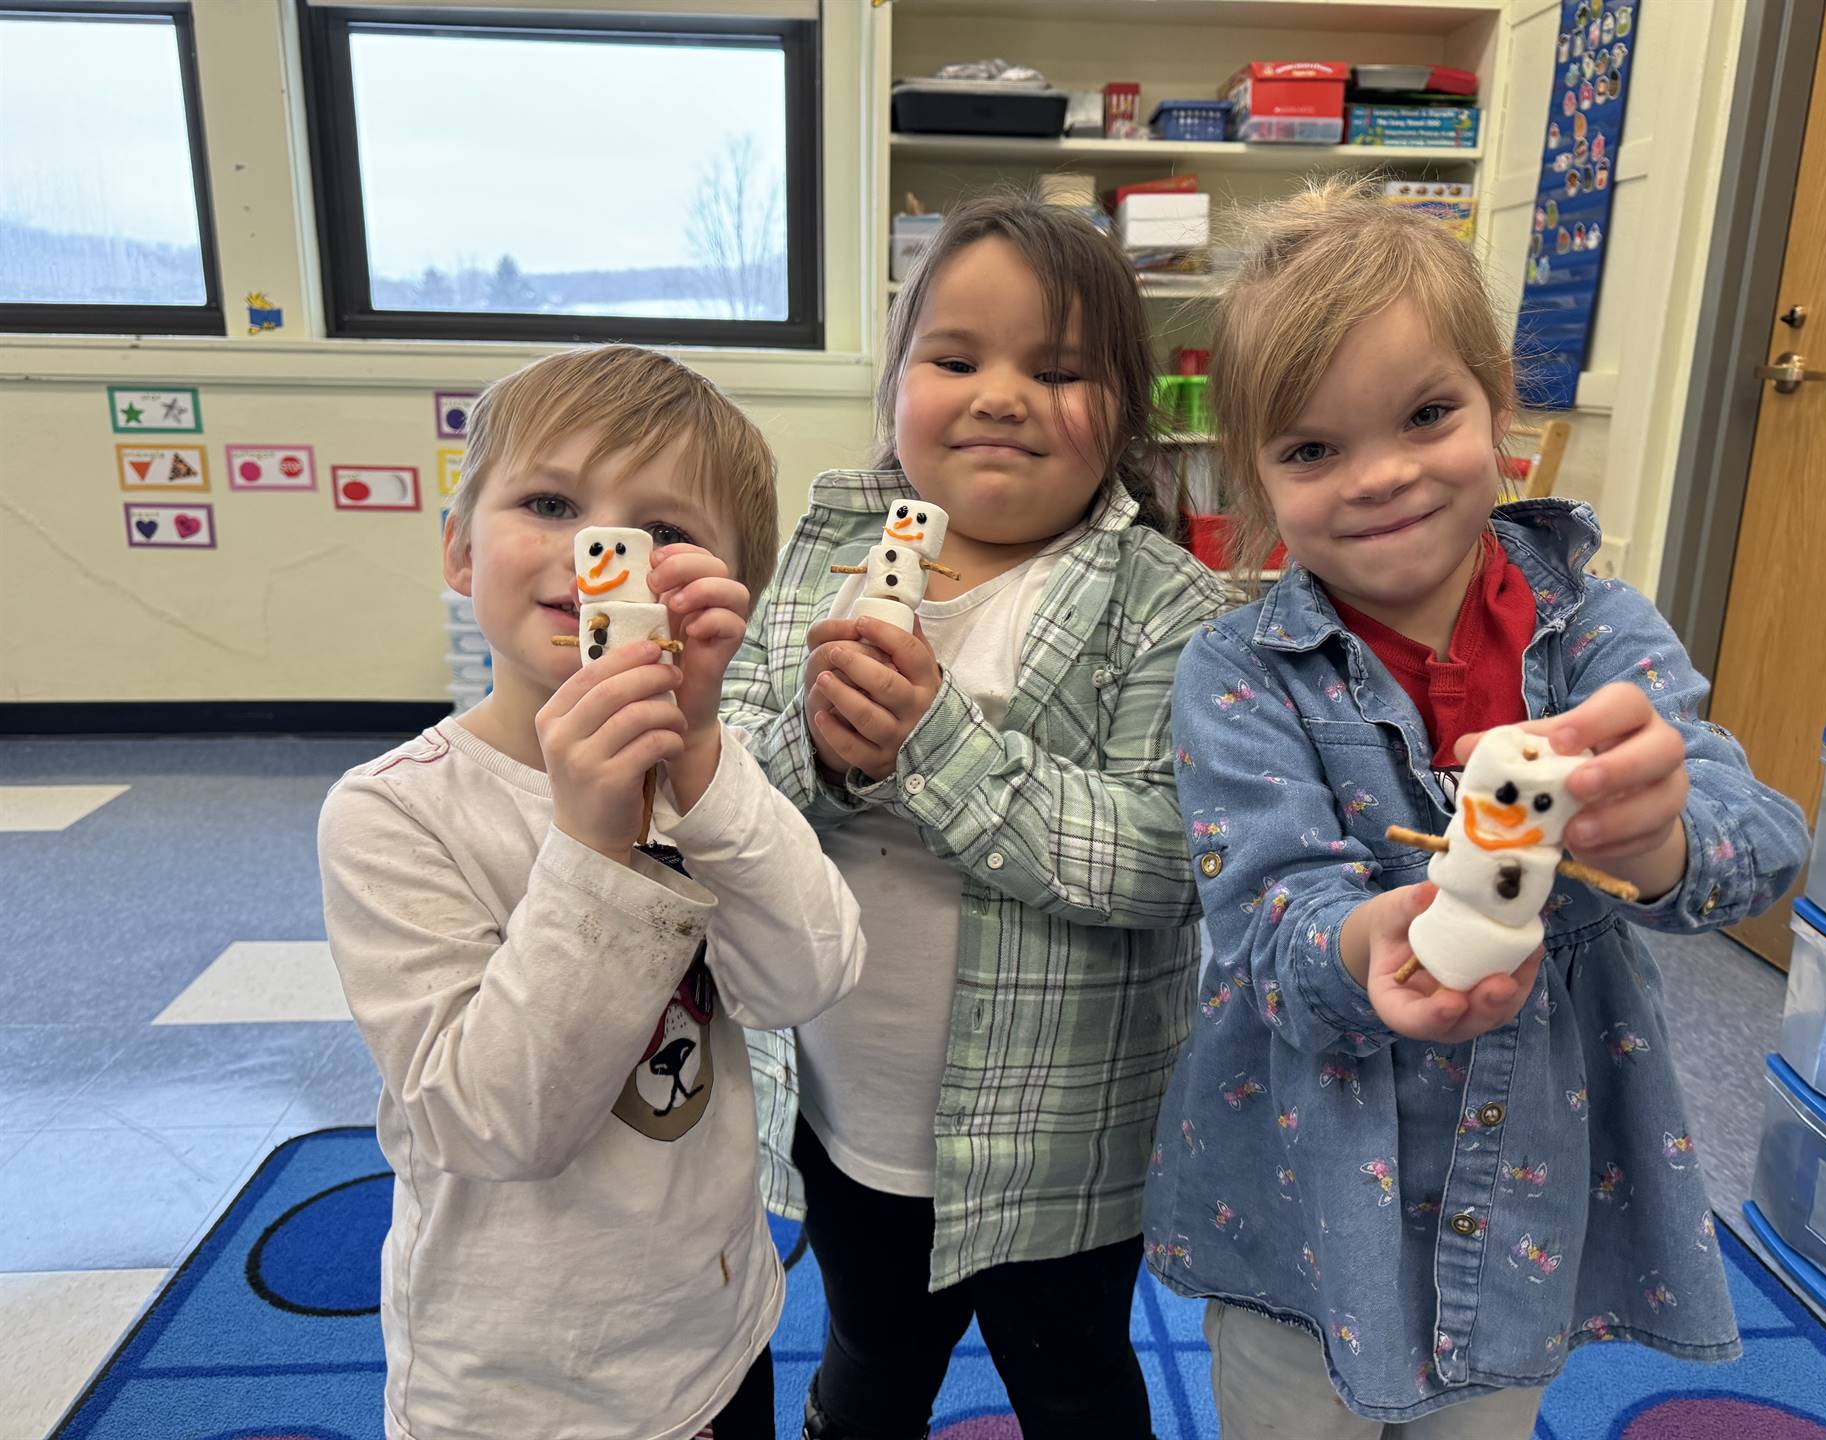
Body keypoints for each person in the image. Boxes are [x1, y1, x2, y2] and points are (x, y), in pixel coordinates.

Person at [1142, 178, 1808, 1437]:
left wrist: (1661, 838)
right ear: (1253, 474)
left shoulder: (1602, 633)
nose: (1382, 477)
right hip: (1305, 1198)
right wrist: (1361, 941)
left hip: (1528, 1196)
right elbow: (1264, 907)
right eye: (1312, 449)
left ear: (1498, 401)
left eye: (1425, 414)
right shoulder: (1236, 672)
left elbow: (1765, 834)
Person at [722, 194, 1229, 1438]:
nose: (1000, 395)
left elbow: (1171, 861)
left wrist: (930, 748)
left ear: (1128, 415)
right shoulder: (824, 554)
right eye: (956, 359)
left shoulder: (1168, 604)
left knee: (1072, 1382)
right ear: (897, 382)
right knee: (867, 1362)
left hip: (1062, 1145)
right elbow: (723, 779)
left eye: (1056, 370)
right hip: (847, 1110)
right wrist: (825, 761)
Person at [318, 344, 864, 1440]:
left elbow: (807, 975)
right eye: (550, 501)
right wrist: (591, 842)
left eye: (664, 533)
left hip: (711, 1329)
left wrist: (703, 756)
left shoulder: (716, 770)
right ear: (461, 550)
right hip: (516, 1379)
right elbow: (497, 1123)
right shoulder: (395, 813)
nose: (600, 552)